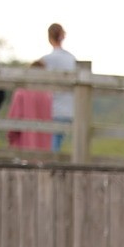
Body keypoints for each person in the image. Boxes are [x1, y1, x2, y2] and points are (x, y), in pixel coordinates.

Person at [39, 23, 76, 152]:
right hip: (70, 107)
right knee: (57, 141)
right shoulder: (72, 59)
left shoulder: (46, 60)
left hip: (51, 107)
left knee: (52, 142)